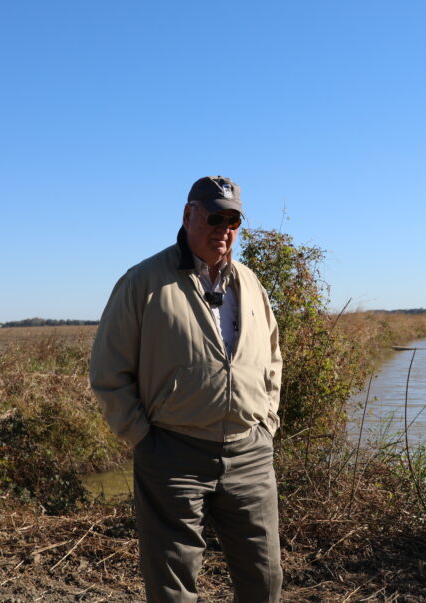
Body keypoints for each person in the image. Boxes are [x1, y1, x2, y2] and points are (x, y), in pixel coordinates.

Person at [89, 175, 283, 603]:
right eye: (214, 216)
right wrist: (143, 437)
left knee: (264, 580)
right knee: (173, 587)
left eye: (233, 219)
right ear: (188, 215)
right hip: (173, 455)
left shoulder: (250, 284)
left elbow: (272, 358)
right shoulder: (143, 283)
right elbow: (108, 370)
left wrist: (267, 423)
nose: (224, 228)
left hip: (249, 452)